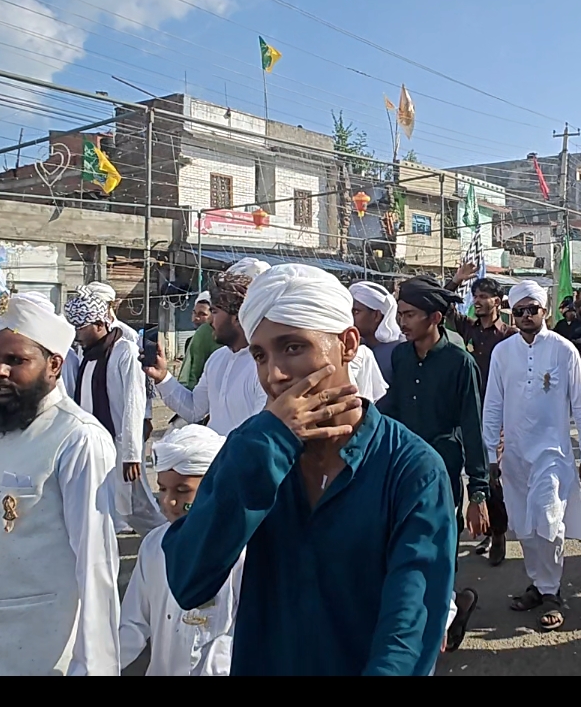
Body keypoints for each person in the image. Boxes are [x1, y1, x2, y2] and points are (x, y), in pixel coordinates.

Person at [164, 264, 456, 675]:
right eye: (260, 356)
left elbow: (408, 628)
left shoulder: (410, 469)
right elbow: (189, 579)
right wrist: (264, 449)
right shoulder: (251, 451)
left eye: (293, 347)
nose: (274, 375)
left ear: (348, 344)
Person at [0, 292, 121, 676]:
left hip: (34, 646)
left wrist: (95, 666)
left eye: (16, 361)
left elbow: (96, 564)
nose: (0, 372)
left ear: (54, 364)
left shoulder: (78, 438)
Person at [377, 276, 488, 650]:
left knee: (440, 545)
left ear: (435, 317)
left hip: (442, 469)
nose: (402, 322)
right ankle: (431, 614)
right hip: (401, 468)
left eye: (410, 314)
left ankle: (443, 615)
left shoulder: (460, 363)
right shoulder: (400, 356)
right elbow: (394, 407)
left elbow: (472, 428)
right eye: (400, 314)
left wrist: (478, 493)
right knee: (401, 543)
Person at [483, 281, 581, 632]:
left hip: (553, 453)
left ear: (544, 310)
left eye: (532, 309)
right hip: (515, 455)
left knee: (548, 521)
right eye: (519, 311)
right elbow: (493, 404)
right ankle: (539, 583)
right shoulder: (503, 353)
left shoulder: (564, 350)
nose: (525, 316)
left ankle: (551, 591)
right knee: (524, 525)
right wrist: (490, 453)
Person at [119, 426, 241, 676]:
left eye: (183, 490)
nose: (168, 502)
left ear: (214, 486)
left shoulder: (241, 553)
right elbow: (132, 625)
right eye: (162, 489)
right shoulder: (154, 546)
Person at [446, 264, 518, 565]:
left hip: (498, 414)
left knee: (492, 474)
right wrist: (455, 281)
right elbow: (442, 307)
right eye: (475, 295)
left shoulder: (509, 335)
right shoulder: (469, 328)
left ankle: (499, 533)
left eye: (483, 296)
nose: (477, 301)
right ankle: (487, 528)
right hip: (469, 411)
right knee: (473, 471)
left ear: (497, 302)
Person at [64, 285, 148, 535]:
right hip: (95, 441)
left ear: (100, 324)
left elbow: (134, 402)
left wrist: (131, 453)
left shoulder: (125, 350)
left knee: (137, 505)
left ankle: (166, 539)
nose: (77, 335)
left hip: (120, 443)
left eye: (81, 328)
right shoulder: (87, 354)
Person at [147, 268, 269, 437]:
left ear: (238, 317)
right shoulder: (217, 359)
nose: (209, 320)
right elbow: (194, 410)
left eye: (215, 312)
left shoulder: (263, 366)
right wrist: (162, 377)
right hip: (213, 454)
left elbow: (258, 434)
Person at [350, 281, 403, 384]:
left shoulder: (400, 351)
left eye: (356, 312)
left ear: (376, 315)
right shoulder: (357, 347)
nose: (350, 317)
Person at [177, 292, 218, 390]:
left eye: (202, 314)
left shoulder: (217, 338)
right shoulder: (190, 341)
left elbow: (194, 375)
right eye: (194, 313)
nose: (196, 318)